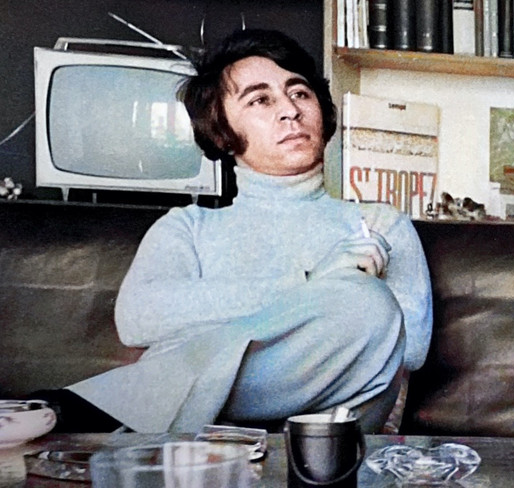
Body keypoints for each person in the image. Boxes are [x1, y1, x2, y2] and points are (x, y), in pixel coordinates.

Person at [34, 28, 432, 433]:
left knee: (370, 306)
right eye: (261, 100)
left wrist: (225, 328)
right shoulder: (188, 226)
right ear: (221, 131)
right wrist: (310, 282)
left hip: (322, 439)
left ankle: (110, 405)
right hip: (199, 443)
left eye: (300, 93)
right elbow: (137, 318)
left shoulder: (378, 224)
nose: (290, 111)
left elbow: (408, 347)